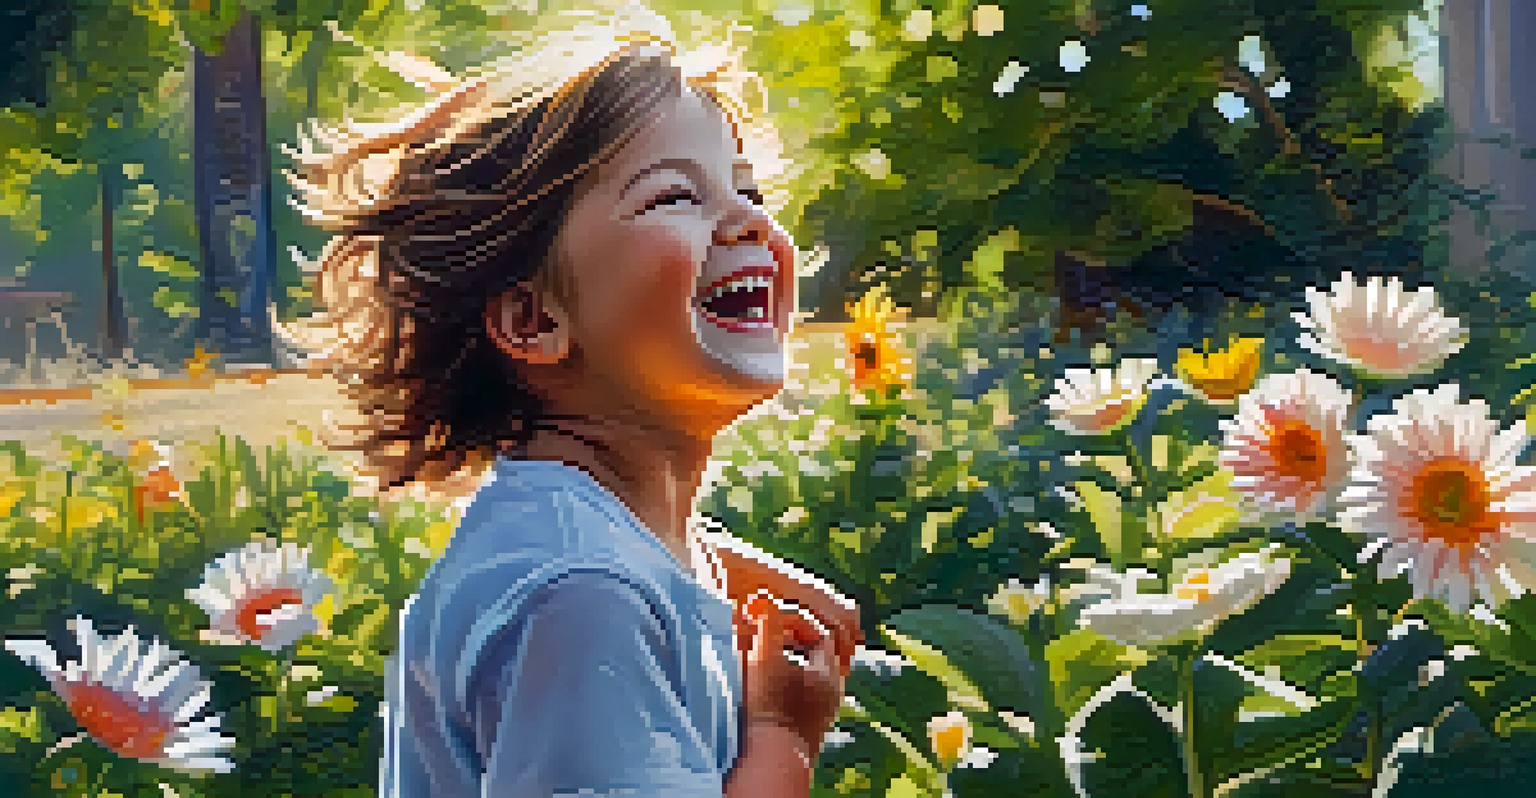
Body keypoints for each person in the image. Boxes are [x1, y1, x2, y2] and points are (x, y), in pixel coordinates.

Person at [278, 16, 855, 798]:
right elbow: (592, 588)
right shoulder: (584, 601)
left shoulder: (590, 543)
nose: (750, 220)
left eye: (748, 191)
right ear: (533, 321)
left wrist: (727, 571)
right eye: (676, 196)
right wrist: (785, 738)